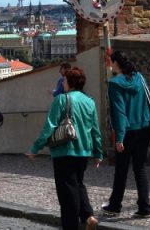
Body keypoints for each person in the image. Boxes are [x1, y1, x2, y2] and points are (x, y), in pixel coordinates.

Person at [27, 66, 102, 230]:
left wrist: (36, 147)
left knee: (67, 194)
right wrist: (98, 153)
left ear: (71, 82)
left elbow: (50, 127)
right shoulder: (89, 101)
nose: (63, 83)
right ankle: (88, 216)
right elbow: (95, 129)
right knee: (78, 184)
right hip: (83, 151)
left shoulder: (61, 99)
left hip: (64, 151)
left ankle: (71, 226)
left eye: (65, 80)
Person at [102, 51, 150, 219]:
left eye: (111, 61)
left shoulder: (115, 84)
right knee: (140, 168)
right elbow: (147, 102)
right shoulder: (140, 78)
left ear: (116, 63)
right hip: (144, 128)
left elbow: (120, 112)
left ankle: (115, 206)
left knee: (121, 170)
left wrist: (120, 138)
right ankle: (145, 207)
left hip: (127, 131)